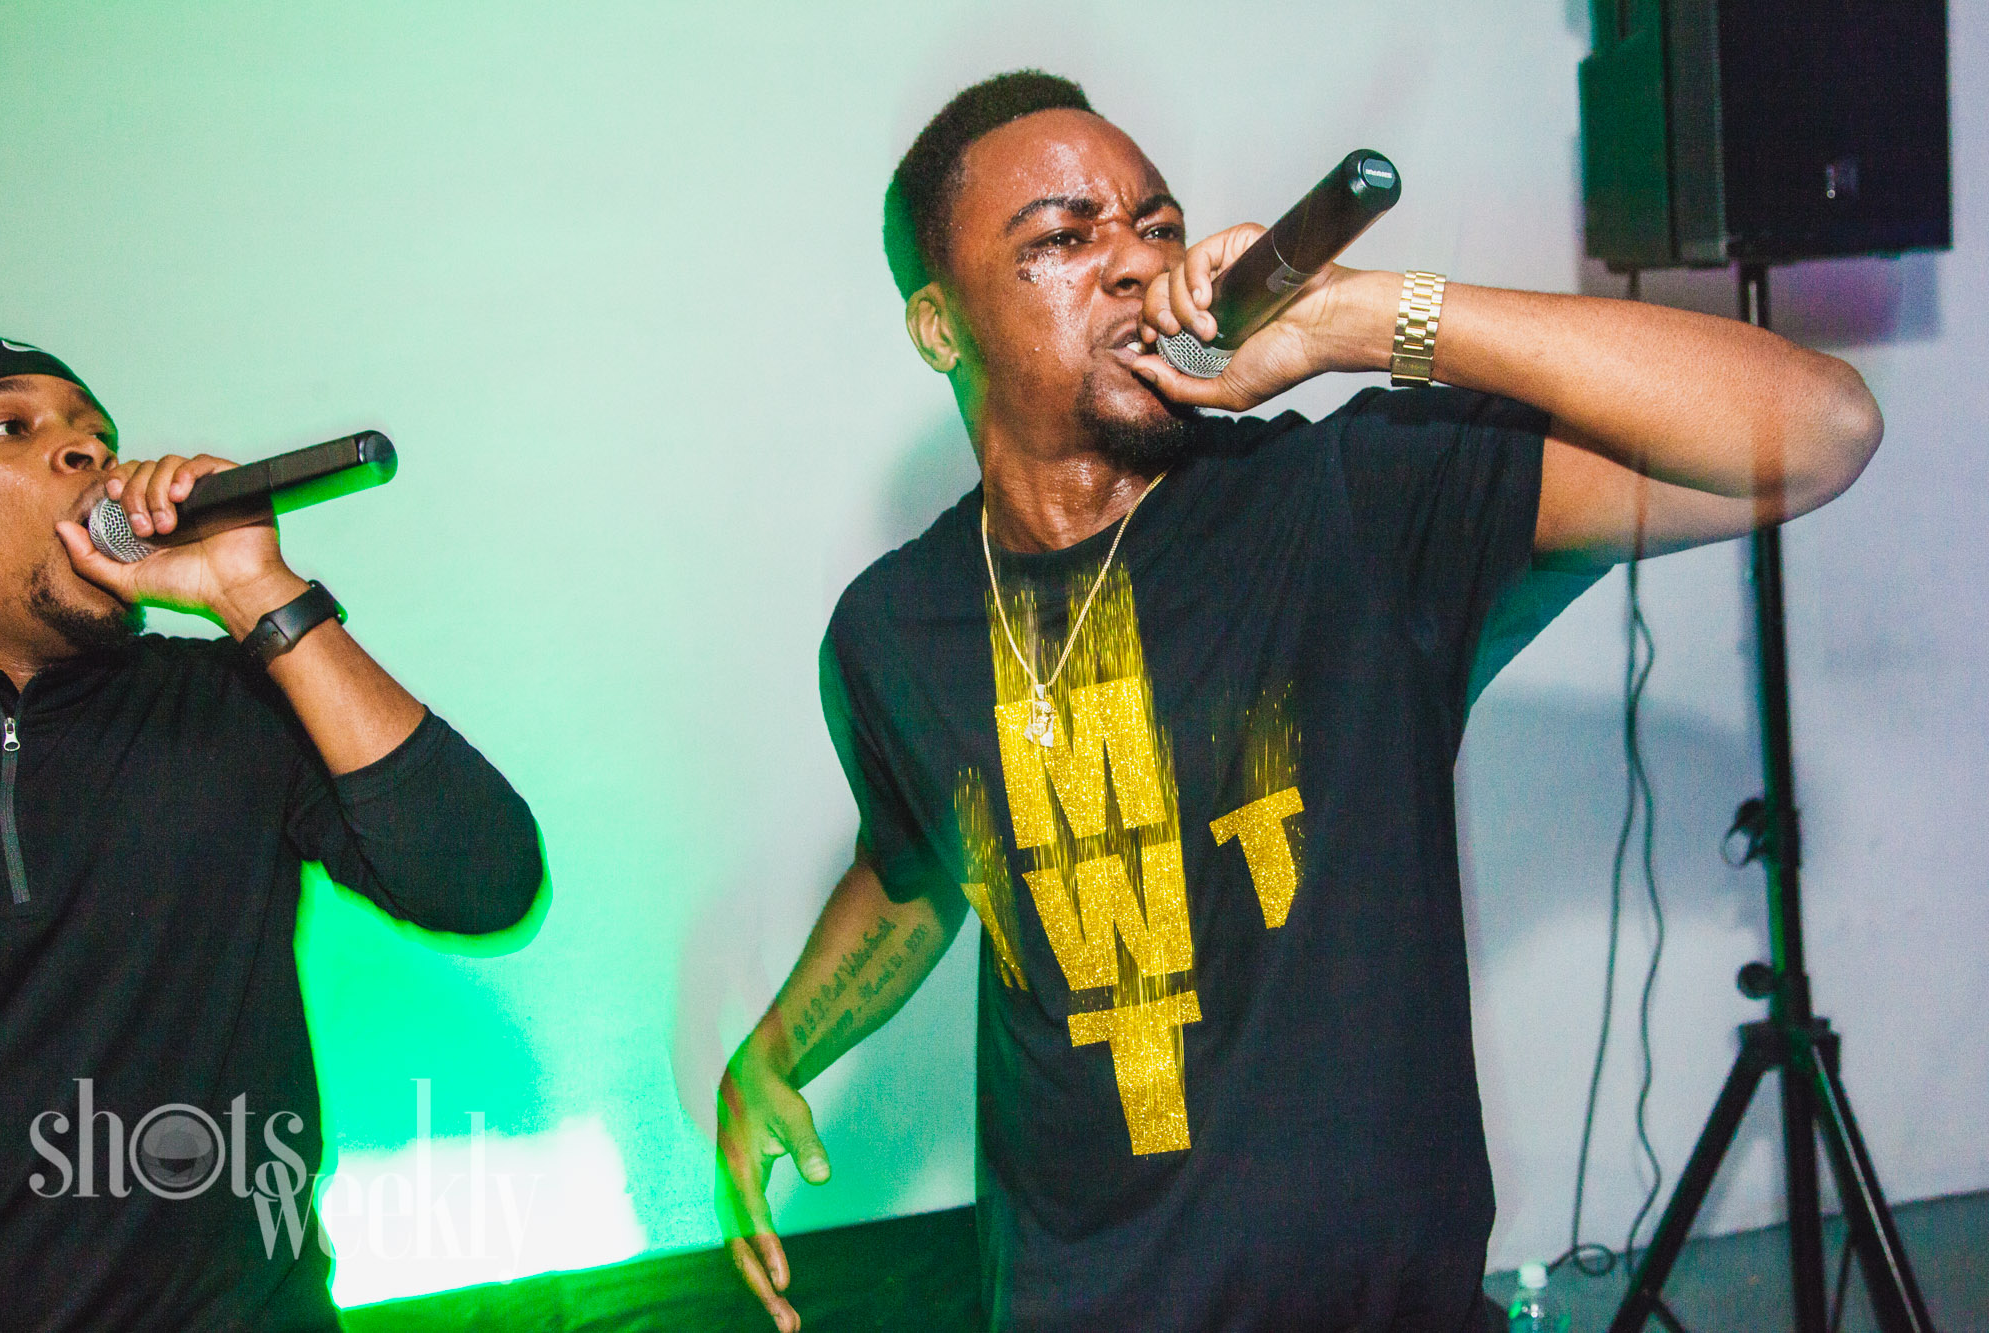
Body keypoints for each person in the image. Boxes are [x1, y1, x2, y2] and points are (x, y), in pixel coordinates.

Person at [715, 72, 1881, 1333]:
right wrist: (771, 1049)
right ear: (938, 326)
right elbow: (916, 869)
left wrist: (1350, 317)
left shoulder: (1348, 503)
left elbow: (1819, 428)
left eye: (1154, 226)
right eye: (1061, 237)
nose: (1133, 263)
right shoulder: (892, 628)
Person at [0, 337, 545, 1331]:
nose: (86, 450)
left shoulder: (228, 700)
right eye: (11, 425)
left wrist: (253, 589)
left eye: (95, 433)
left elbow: (487, 881)